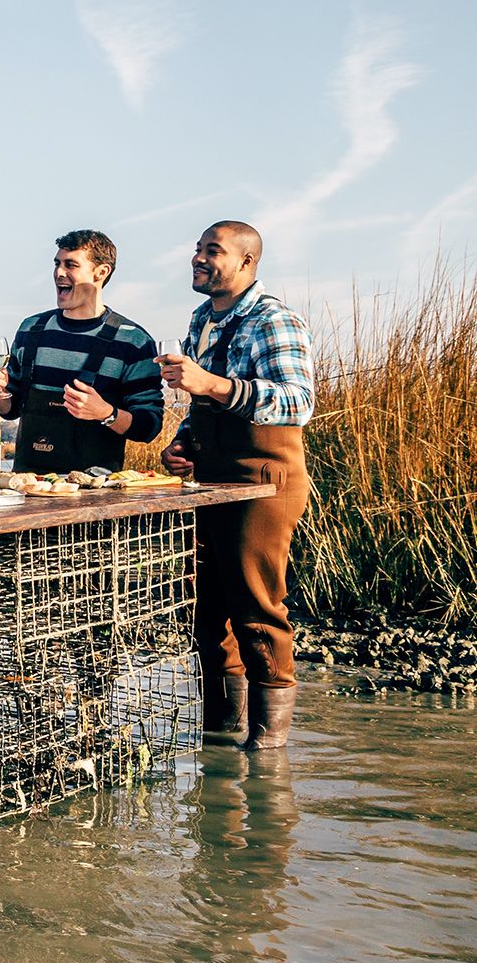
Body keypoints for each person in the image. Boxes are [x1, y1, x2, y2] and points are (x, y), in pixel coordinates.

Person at [158, 221, 313, 751]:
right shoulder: (203, 318)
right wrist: (181, 444)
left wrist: (211, 384)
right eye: (197, 248)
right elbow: (204, 404)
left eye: (212, 251)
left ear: (247, 262)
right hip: (211, 480)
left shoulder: (275, 319)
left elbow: (297, 403)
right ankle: (223, 742)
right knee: (206, 609)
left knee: (256, 606)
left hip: (265, 480)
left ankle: (268, 755)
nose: (198, 258)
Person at [0, 228, 164, 473]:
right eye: (57, 263)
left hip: (95, 496)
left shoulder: (134, 342)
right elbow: (11, 410)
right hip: (27, 488)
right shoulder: (31, 329)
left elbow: (148, 427)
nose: (59, 272)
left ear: (101, 272)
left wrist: (105, 413)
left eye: (71, 265)